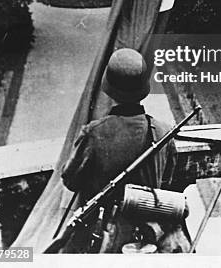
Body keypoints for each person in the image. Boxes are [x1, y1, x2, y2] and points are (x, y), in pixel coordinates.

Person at [61, 47, 178, 253]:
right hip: (150, 235)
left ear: (110, 89)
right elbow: (168, 182)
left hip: (106, 237)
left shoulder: (94, 133)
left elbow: (70, 181)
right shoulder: (164, 131)